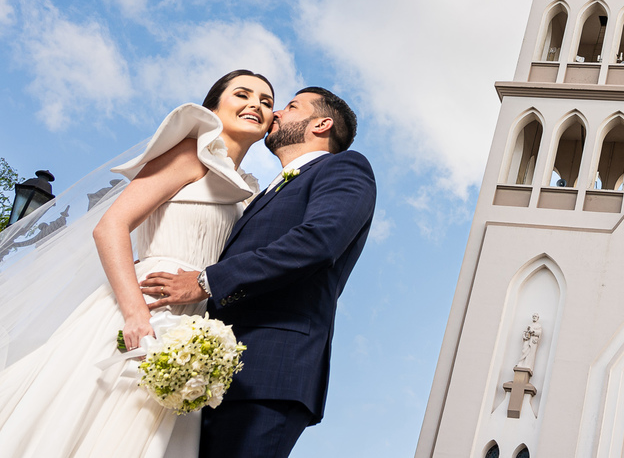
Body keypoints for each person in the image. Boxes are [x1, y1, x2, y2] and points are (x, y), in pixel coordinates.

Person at [0, 69, 275, 458]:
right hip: (140, 308)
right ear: (214, 106)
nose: (256, 105)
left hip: (192, 328)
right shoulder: (189, 154)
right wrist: (134, 317)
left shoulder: (249, 193)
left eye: (266, 101)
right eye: (243, 94)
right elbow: (110, 227)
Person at [141, 87, 376, 458]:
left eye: (291, 106)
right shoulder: (261, 192)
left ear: (322, 124)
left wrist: (206, 281)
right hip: (214, 371)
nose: (277, 112)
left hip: (271, 370)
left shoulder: (344, 167)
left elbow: (318, 241)